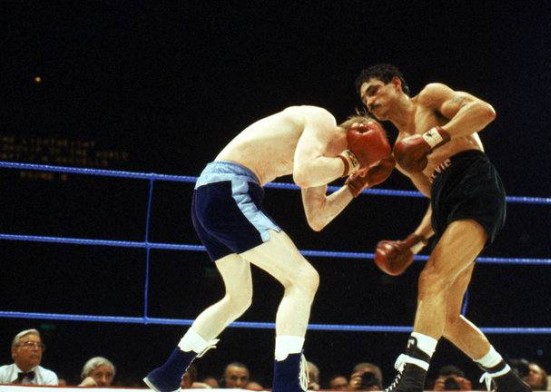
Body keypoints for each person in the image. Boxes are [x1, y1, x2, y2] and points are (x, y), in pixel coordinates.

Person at [143, 105, 393, 392]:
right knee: (303, 278)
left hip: (211, 195)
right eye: (364, 158)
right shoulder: (322, 120)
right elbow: (303, 175)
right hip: (228, 188)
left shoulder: (320, 159)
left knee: (238, 298)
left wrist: (354, 186)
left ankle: (168, 373)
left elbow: (317, 218)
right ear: (357, 130)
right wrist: (351, 161)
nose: (361, 164)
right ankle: (287, 383)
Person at [355, 63, 528, 392]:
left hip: (476, 185)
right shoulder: (402, 151)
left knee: (431, 278)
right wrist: (413, 243)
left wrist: (433, 137)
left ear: (396, 84)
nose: (370, 101)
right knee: (447, 318)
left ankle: (410, 381)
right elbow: (437, 200)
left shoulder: (430, 98)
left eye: (374, 90)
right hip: (451, 205)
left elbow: (484, 111)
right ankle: (509, 384)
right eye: (365, 99)